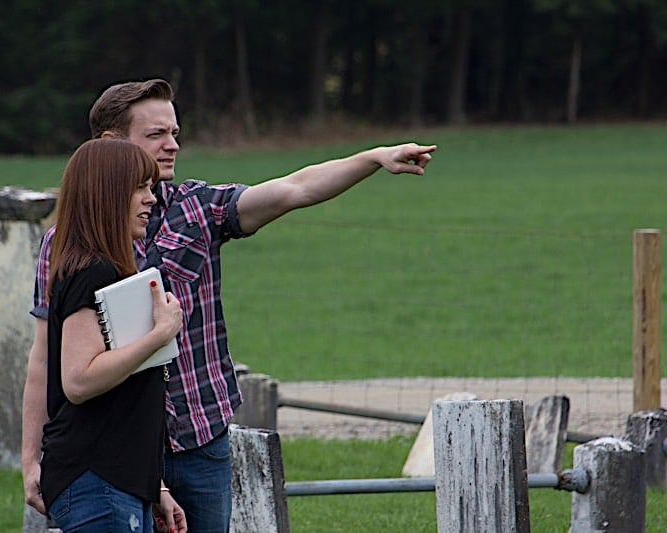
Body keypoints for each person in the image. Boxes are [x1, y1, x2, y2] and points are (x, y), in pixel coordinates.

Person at [22, 78, 436, 532]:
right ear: (110, 144)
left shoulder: (199, 208)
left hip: (201, 441)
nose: (172, 145)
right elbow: (46, 357)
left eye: (175, 133)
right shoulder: (67, 245)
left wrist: (373, 158)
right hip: (116, 450)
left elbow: (294, 189)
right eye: (156, 135)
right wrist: (30, 459)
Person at [38, 137, 186, 533]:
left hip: (116, 481)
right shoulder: (93, 271)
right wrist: (160, 334)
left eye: (150, 187)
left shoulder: (106, 271)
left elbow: (123, 402)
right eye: (140, 188)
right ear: (109, 194)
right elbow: (80, 380)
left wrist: (154, 486)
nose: (151, 199)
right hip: (97, 481)